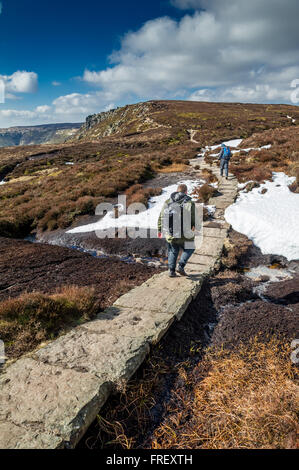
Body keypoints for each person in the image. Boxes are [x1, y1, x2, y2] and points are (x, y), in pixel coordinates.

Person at [158, 184, 196, 277]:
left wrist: (159, 229)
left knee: (173, 251)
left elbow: (161, 216)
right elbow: (193, 218)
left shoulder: (168, 201)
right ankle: (181, 266)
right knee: (190, 247)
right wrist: (193, 228)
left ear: (176, 191)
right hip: (184, 233)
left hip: (171, 233)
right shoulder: (190, 203)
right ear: (186, 192)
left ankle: (171, 271)